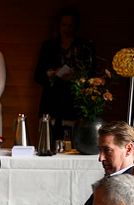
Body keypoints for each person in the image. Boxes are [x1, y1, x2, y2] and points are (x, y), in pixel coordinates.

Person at [34, 8, 95, 140]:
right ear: (59, 26)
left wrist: (76, 77)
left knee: (74, 141)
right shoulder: (49, 46)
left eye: (70, 25)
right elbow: (38, 75)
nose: (67, 28)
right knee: (49, 140)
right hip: (52, 99)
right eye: (64, 25)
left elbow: (92, 74)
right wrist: (51, 74)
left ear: (76, 27)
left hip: (74, 101)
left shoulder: (85, 46)